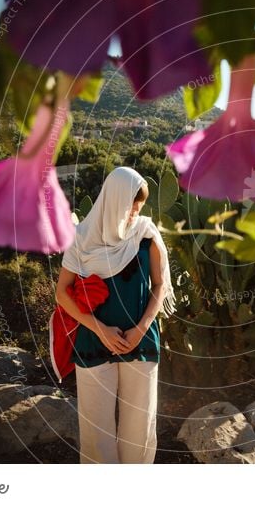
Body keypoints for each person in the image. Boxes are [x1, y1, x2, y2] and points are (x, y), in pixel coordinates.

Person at [55, 166, 176, 464]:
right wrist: (101, 330)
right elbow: (62, 293)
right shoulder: (82, 238)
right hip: (94, 340)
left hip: (141, 340)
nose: (135, 214)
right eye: (131, 206)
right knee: (97, 431)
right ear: (114, 200)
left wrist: (140, 329)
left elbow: (160, 286)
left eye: (139, 207)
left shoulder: (146, 235)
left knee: (140, 427)